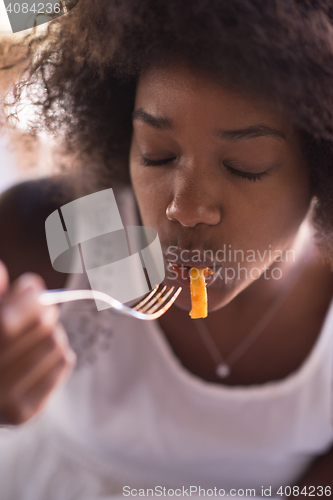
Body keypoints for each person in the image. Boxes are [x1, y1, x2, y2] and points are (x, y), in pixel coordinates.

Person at [0, 0, 333, 498]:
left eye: (244, 165)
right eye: (157, 155)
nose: (186, 207)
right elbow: (17, 10)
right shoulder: (58, 231)